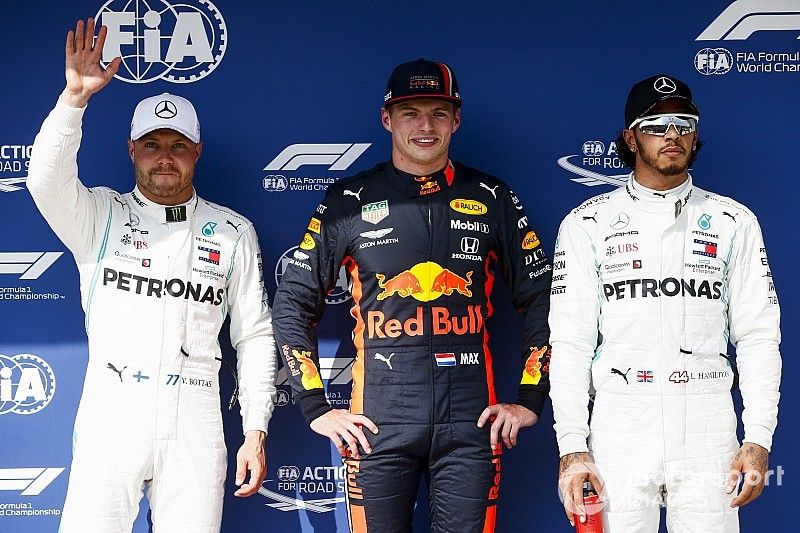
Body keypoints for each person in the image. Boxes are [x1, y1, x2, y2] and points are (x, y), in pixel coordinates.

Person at [272, 58, 552, 532]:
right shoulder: (347, 200)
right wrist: (316, 406)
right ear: (387, 119)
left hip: (471, 425)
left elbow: (543, 298)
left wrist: (529, 396)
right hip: (376, 426)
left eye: (438, 113)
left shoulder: (492, 197)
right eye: (410, 113)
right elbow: (293, 302)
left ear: (456, 120)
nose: (425, 126)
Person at [27, 18, 277, 532]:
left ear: (197, 153)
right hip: (111, 411)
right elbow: (44, 181)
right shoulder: (98, 215)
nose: (165, 158)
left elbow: (253, 336)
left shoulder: (232, 231)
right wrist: (74, 101)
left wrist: (255, 430)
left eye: (178, 145)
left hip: (196, 415)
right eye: (152, 144)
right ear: (131, 150)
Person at [549, 74, 781, 532]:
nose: (672, 134)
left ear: (695, 134)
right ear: (630, 138)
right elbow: (570, 341)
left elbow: (757, 335)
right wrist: (572, 446)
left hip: (707, 422)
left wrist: (758, 438)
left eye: (683, 122)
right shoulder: (588, 223)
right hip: (619, 421)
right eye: (656, 124)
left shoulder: (734, 220)